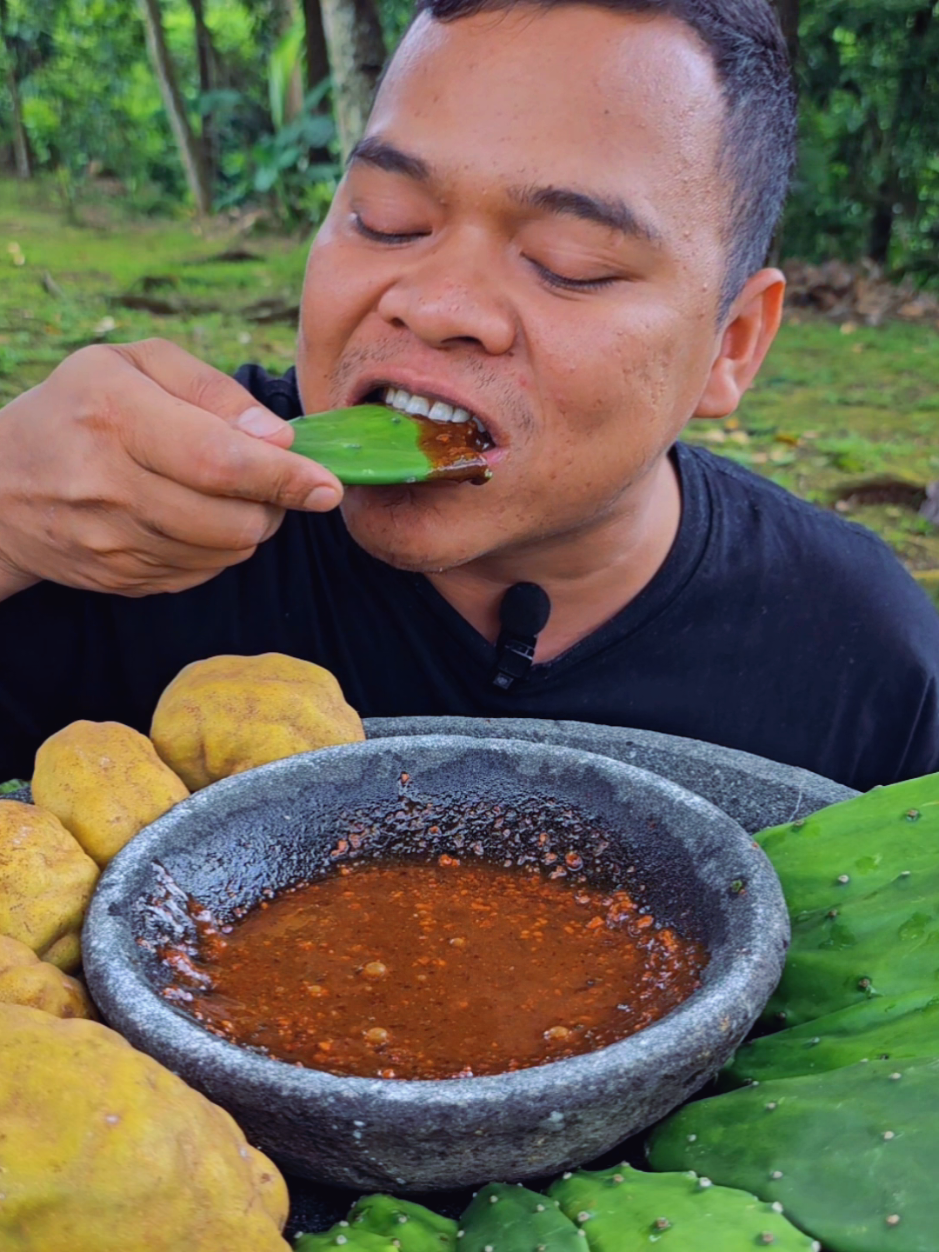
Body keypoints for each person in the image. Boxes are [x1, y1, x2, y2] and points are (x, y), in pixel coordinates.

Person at [0, 0, 936, 792]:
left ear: (730, 345)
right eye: (385, 218)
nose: (436, 304)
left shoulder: (866, 658)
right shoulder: (115, 514)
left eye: (570, 265)